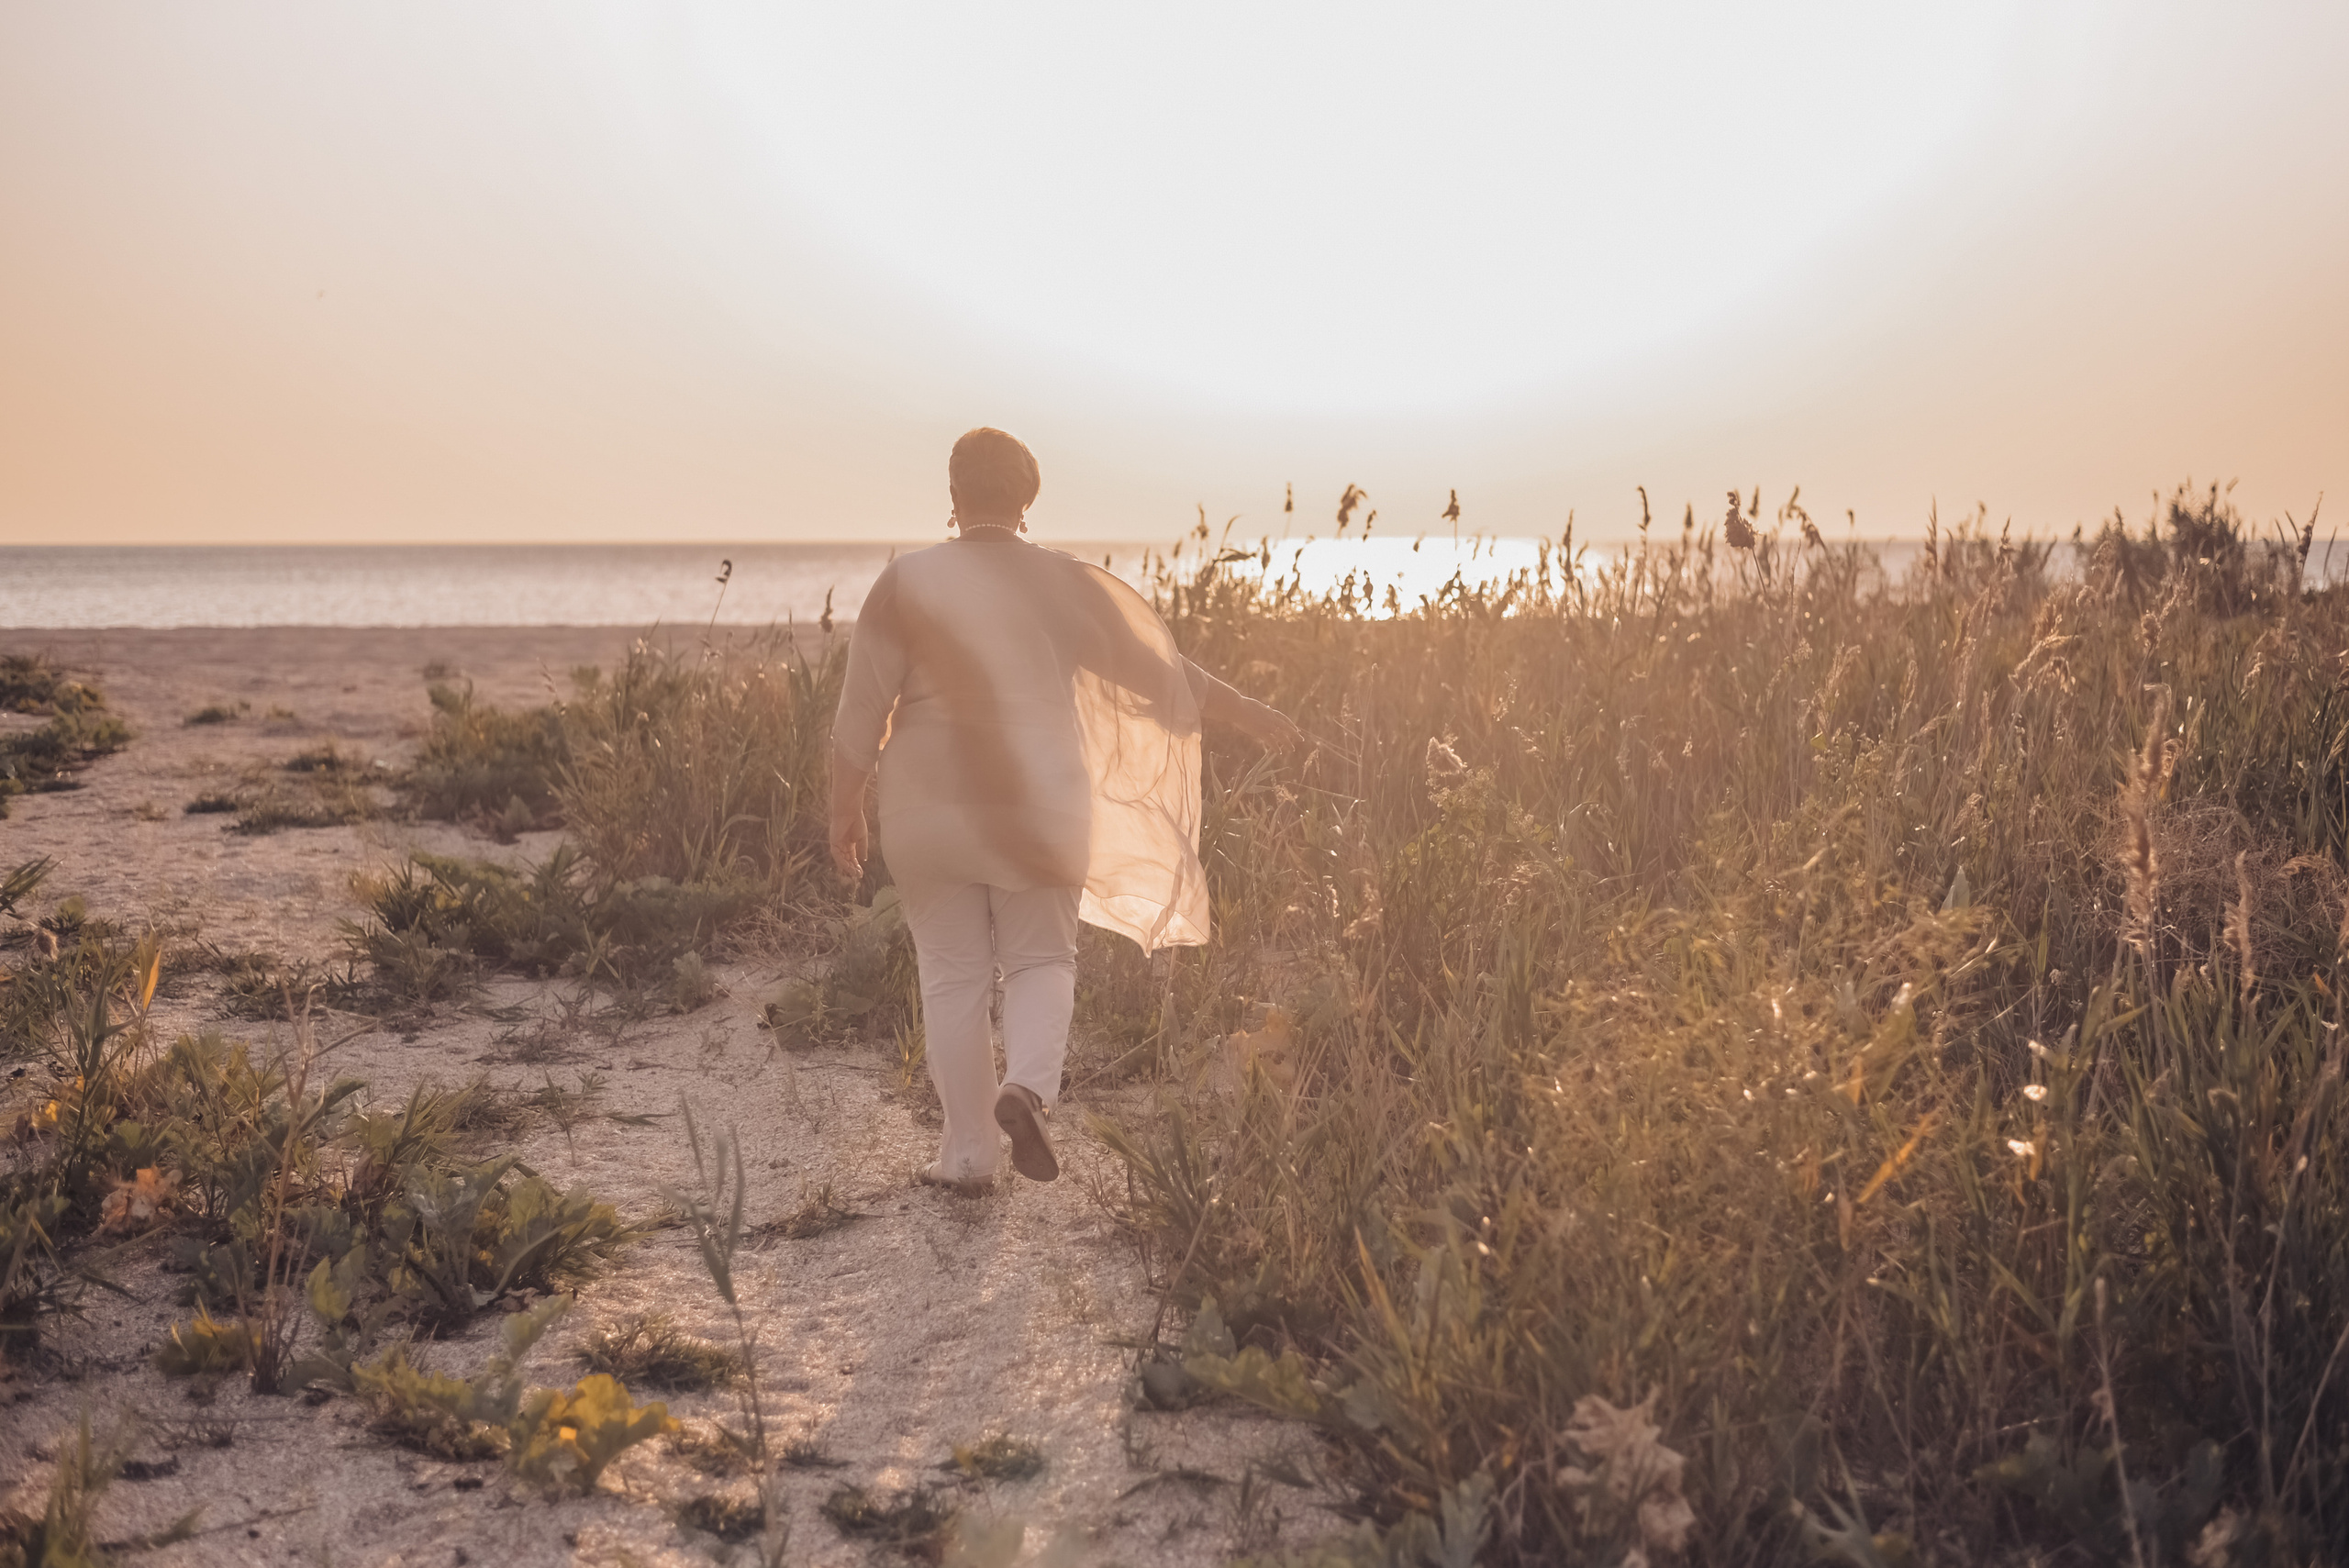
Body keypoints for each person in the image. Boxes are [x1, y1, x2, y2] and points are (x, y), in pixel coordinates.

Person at [829, 428, 1300, 1191]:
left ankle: (970, 1155)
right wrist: (1250, 712)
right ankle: (1030, 1087)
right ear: (1028, 498)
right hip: (1042, 808)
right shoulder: (1072, 585)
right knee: (1042, 959)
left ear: (953, 496)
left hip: (927, 815)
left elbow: (858, 722)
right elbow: (1164, 676)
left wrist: (842, 811)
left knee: (952, 977)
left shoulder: (904, 584)